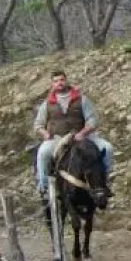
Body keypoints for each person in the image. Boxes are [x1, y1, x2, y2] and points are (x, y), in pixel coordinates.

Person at [34, 69, 114, 200]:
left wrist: (83, 133)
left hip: (82, 135)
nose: (59, 83)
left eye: (62, 79)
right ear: (52, 84)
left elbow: (92, 120)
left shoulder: (82, 99)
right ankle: (44, 188)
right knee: (43, 153)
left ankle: (105, 181)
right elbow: (38, 124)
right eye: (56, 81)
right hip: (58, 138)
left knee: (108, 148)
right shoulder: (47, 103)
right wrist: (45, 133)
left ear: (66, 80)